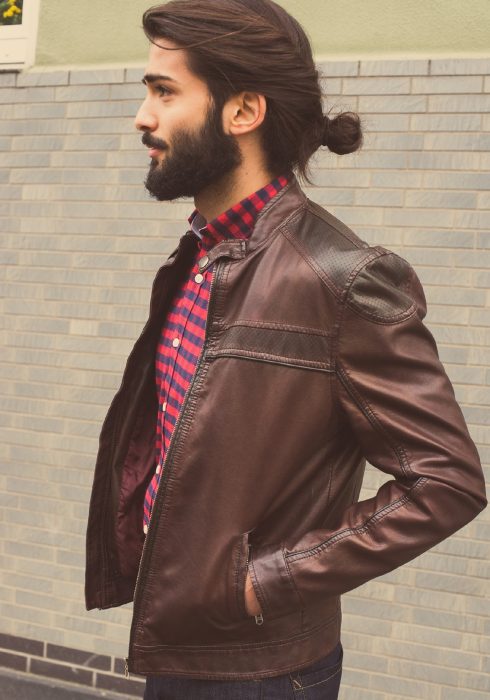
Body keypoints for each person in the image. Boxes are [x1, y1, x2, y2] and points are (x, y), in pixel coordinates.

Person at [85, 1, 487, 698]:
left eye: (164, 91)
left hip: (265, 673)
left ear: (242, 112)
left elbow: (447, 481)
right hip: (180, 644)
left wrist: (259, 585)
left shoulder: (342, 278)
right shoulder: (204, 255)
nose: (142, 118)